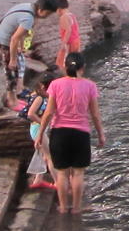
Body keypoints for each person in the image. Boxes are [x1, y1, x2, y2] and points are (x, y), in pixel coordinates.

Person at [43, 52, 106, 214]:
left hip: (59, 133)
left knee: (62, 173)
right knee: (78, 173)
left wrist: (40, 133)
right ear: (82, 68)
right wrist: (100, 134)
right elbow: (95, 115)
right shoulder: (90, 86)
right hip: (81, 133)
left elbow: (49, 112)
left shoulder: (55, 85)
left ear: (65, 67)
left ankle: (63, 207)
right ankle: (77, 208)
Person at [0, 0, 39, 93]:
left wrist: (21, 48)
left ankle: (19, 89)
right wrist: (13, 59)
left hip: (6, 41)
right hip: (4, 42)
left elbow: (18, 34)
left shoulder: (25, 8)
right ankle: (13, 98)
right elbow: (15, 38)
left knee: (19, 66)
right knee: (11, 70)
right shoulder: (28, 18)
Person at [23, 74, 58, 194]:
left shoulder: (45, 97)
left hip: (39, 128)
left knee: (43, 154)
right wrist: (43, 122)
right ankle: (58, 182)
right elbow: (31, 114)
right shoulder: (39, 98)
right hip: (37, 129)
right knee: (50, 156)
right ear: (43, 87)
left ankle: (38, 180)